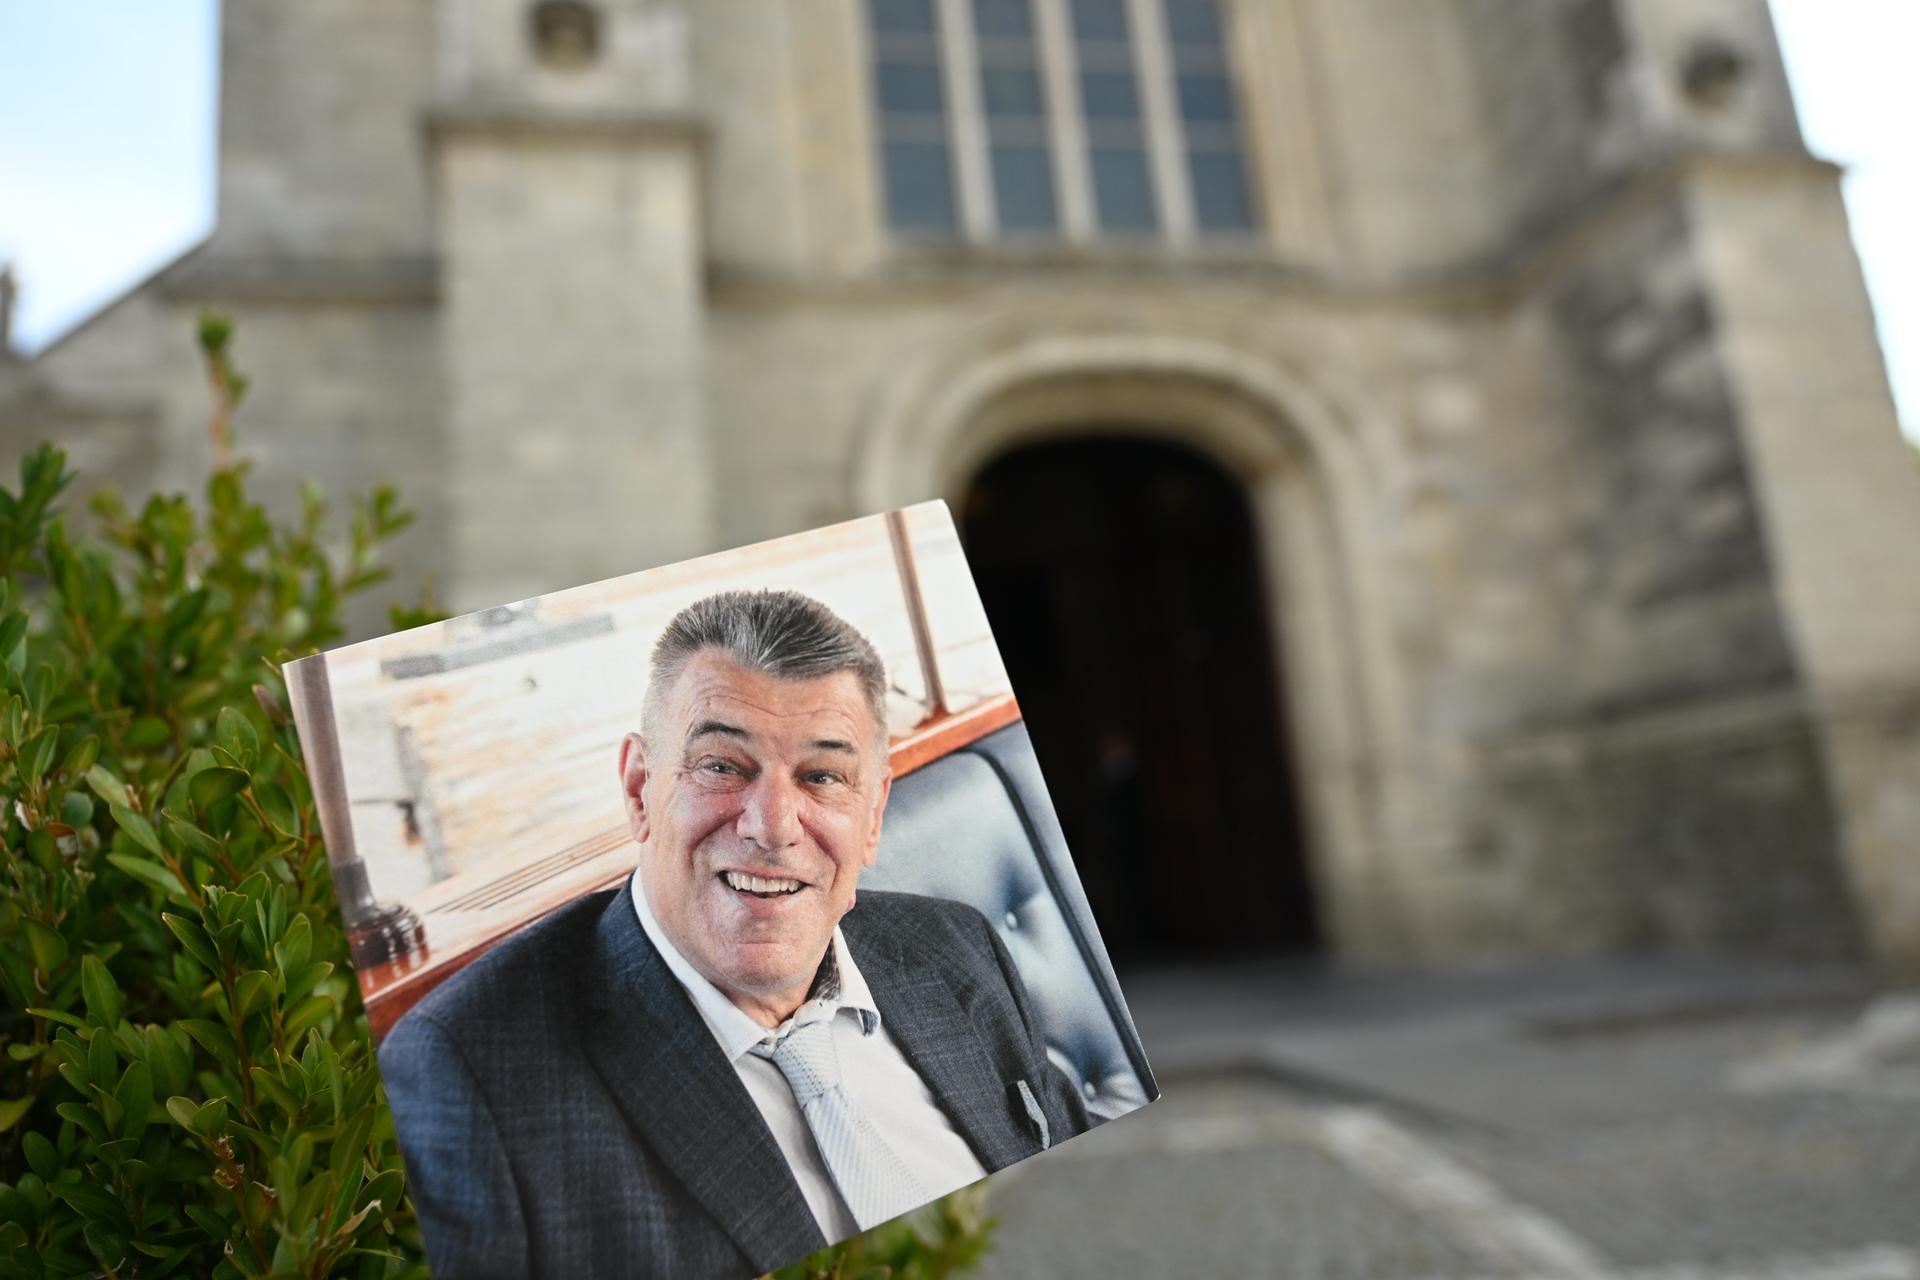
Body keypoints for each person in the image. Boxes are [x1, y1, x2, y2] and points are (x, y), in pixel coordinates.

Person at [378, 589, 1091, 1280]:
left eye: (821, 775)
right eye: (721, 766)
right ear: (639, 791)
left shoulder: (956, 947)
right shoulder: (468, 1073)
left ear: (872, 817)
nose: (773, 826)